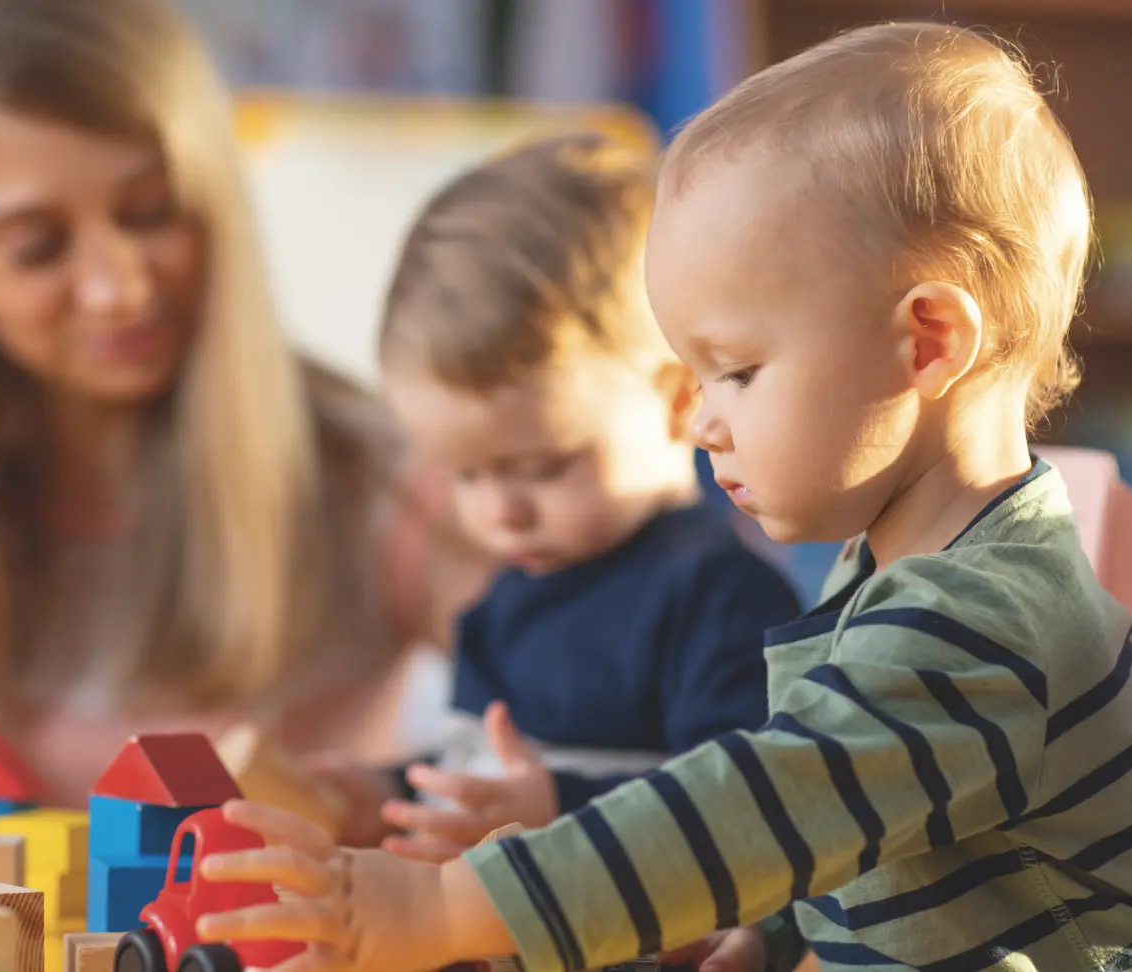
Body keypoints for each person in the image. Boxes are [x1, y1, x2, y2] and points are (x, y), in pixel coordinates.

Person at [192, 21, 1132, 972]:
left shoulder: (979, 623)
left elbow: (766, 804)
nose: (700, 424)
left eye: (736, 372)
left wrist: (448, 907)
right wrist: (766, 936)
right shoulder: (899, 570)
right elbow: (858, 824)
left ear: (926, 344)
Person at [0, 0, 488, 807]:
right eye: (37, 247)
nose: (117, 290)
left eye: (151, 213)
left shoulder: (372, 479)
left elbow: (601, 721)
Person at [307, 134, 800, 863]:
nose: (500, 512)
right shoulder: (512, 595)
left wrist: (557, 810)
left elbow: (750, 809)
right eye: (465, 475)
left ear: (675, 402)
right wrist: (386, 793)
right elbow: (485, 769)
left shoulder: (715, 596)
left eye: (540, 467)